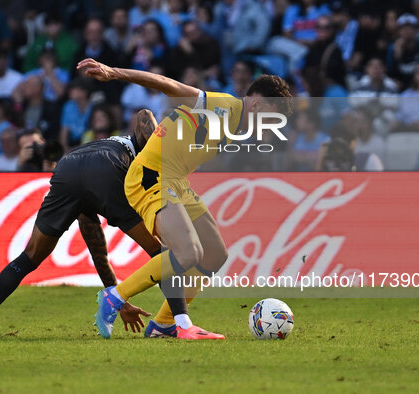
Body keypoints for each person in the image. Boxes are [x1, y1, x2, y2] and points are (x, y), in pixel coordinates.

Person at [78, 57, 292, 340]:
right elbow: (169, 85)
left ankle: (164, 324)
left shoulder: (239, 125)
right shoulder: (224, 106)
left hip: (176, 180)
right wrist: (115, 73)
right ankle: (114, 297)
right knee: (188, 253)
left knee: (216, 253)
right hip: (151, 176)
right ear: (257, 104)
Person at [0, 110, 162, 337]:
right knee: (159, 251)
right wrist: (157, 160)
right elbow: (145, 114)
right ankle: (172, 323)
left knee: (30, 256)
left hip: (67, 167)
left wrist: (120, 303)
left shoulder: (111, 151)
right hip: (105, 168)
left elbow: (98, 253)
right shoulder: (137, 151)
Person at [59, 78, 93, 151]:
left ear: (84, 92)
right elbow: (64, 130)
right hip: (73, 144)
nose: (70, 92)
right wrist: (64, 149)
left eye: (74, 89)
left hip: (91, 144)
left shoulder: (93, 106)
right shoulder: (68, 106)